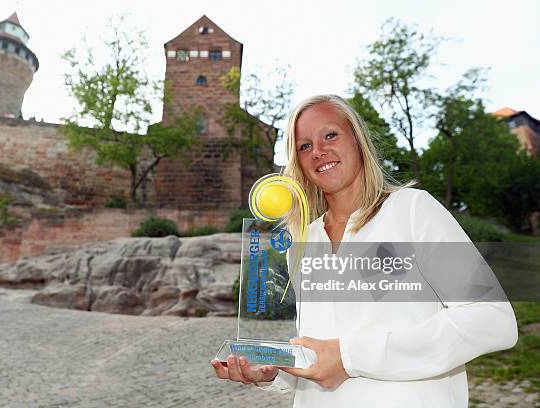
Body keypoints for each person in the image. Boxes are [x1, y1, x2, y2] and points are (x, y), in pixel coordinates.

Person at [210, 94, 518, 407]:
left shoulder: (413, 211)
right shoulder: (301, 246)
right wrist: (273, 373)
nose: (318, 151)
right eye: (304, 146)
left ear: (358, 141)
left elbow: (492, 320)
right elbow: (320, 357)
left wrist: (349, 358)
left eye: (330, 135)